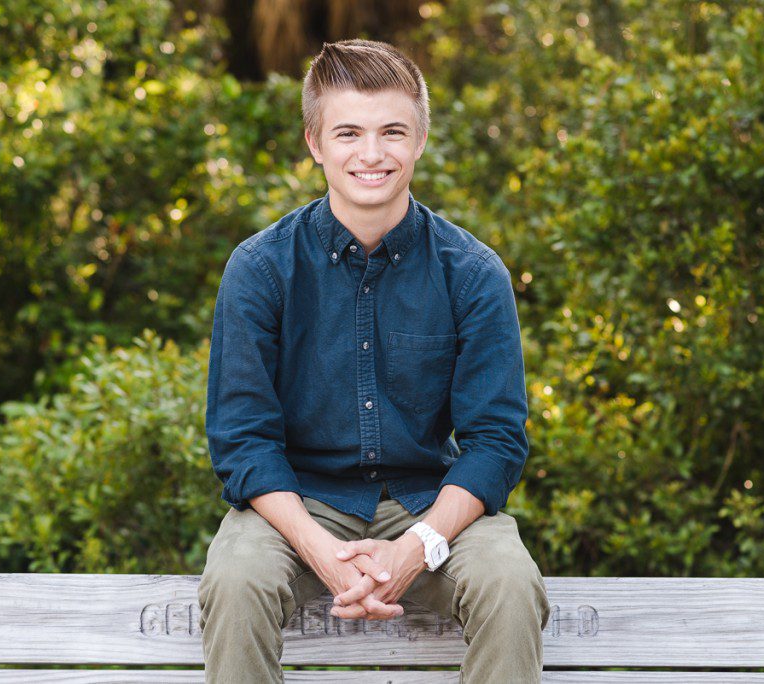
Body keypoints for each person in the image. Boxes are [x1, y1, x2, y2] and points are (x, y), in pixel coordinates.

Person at [198, 38, 551, 683]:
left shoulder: (472, 274)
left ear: (419, 141)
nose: (371, 154)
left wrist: (420, 546)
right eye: (348, 132)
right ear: (315, 142)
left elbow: (496, 440)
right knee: (236, 579)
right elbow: (243, 440)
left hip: (428, 503)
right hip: (297, 504)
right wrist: (320, 549)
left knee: (509, 584)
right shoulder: (260, 269)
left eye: (392, 131)